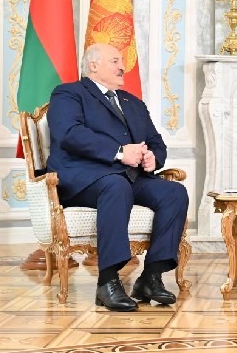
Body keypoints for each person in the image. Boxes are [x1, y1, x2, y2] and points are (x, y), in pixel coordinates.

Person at [46, 43, 189, 312]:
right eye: (115, 61)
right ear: (93, 65)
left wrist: (153, 158)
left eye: (122, 61)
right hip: (84, 179)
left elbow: (155, 142)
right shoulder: (69, 93)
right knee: (116, 185)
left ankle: (151, 277)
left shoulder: (132, 102)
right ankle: (108, 281)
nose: (123, 67)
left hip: (129, 177)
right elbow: (69, 134)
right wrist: (120, 152)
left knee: (174, 192)